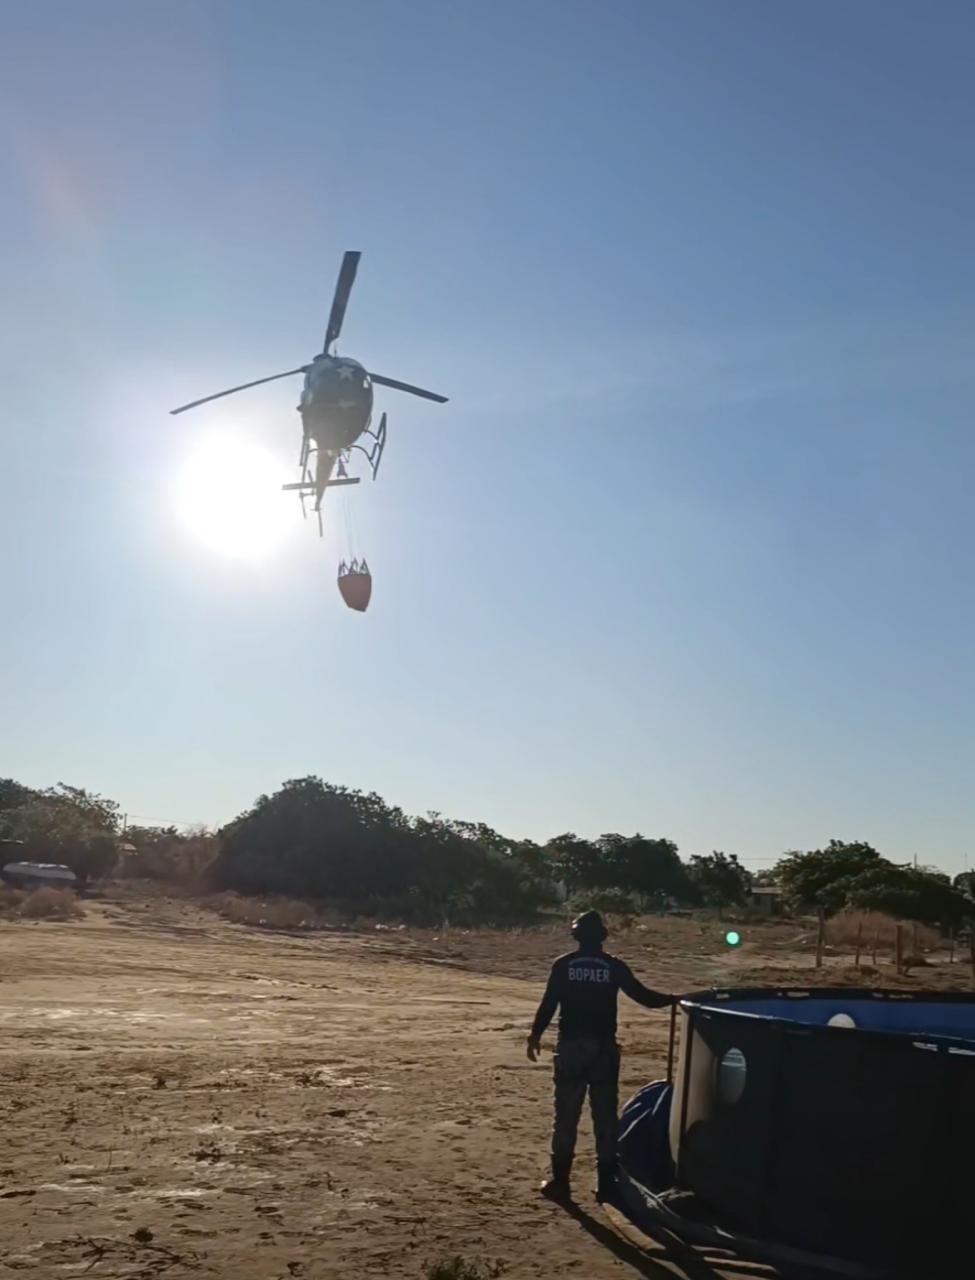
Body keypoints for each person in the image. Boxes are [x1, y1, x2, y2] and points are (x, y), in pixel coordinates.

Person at [527, 909, 673, 1203]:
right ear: (602, 938)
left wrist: (535, 1036)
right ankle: (606, 1186)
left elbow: (548, 1005)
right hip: (604, 1049)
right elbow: (644, 997)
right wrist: (676, 1000)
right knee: (605, 1117)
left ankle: (561, 1183)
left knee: (566, 1116)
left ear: (576, 935)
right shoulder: (613, 966)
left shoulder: (564, 965)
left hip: (571, 1048)